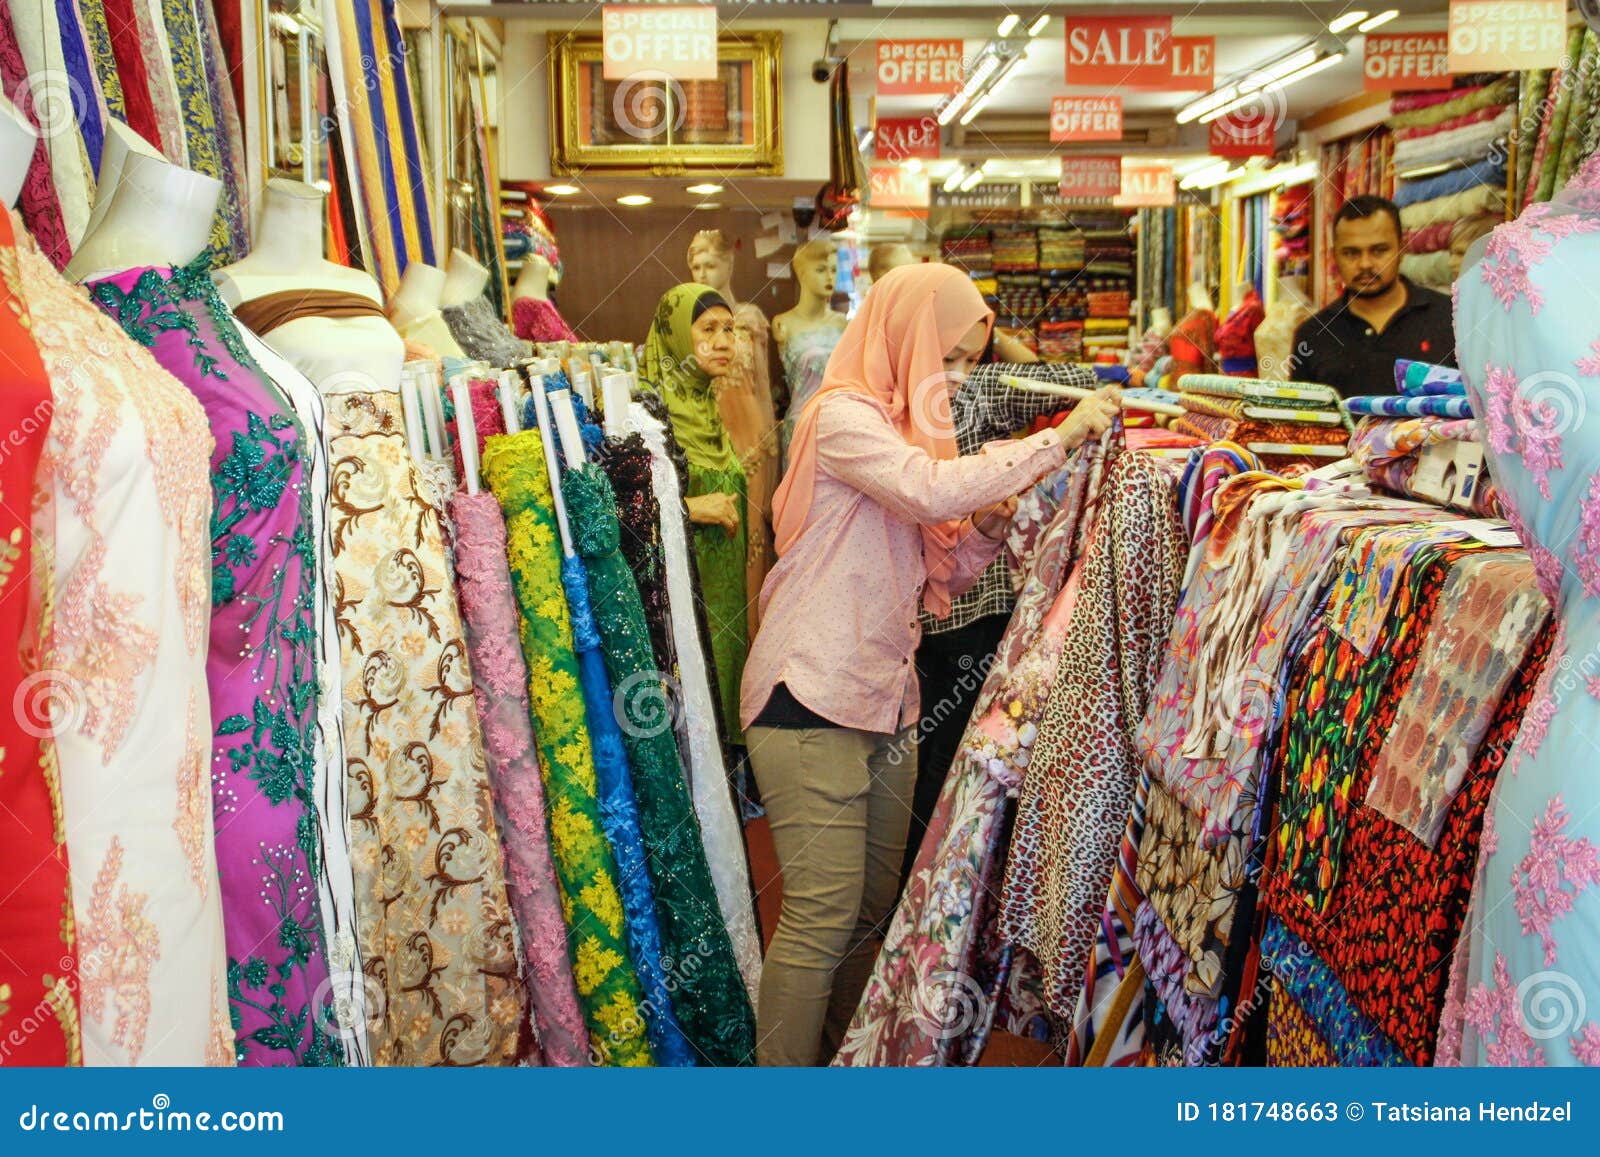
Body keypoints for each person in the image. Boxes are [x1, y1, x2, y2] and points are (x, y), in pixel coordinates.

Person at [738, 262, 1121, 1066]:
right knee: (821, 912)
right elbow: (923, 490)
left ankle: (843, 1065)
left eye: (965, 364)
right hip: (810, 690)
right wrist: (1059, 436)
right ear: (907, 335)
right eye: (944, 355)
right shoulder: (841, 417)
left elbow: (938, 576)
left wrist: (983, 525)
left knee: (872, 909)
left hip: (889, 695)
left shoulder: (908, 426)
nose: (952, 378)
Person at [639, 283, 750, 749]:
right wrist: (687, 508)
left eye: (730, 329)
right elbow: (619, 516)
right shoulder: (644, 413)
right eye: (708, 329)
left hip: (724, 607)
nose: (724, 342)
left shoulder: (706, 405)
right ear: (677, 339)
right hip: (680, 605)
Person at [1288, 194, 1456, 394]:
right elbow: (1301, 422)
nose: (1365, 264)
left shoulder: (1451, 319)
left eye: (1378, 250)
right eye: (1351, 253)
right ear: (1334, 256)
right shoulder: (1313, 335)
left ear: (1401, 250)